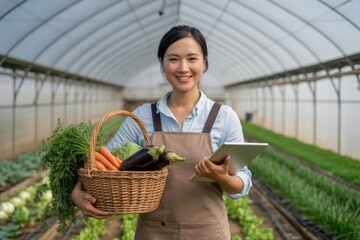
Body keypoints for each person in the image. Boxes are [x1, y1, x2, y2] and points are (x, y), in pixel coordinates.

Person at [71, 25, 252, 240]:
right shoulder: (143, 116)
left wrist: (223, 178)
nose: (183, 68)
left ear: (204, 63)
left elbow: (242, 181)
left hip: (209, 231)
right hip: (154, 232)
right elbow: (101, 161)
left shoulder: (223, 117)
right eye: (173, 59)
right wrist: (77, 191)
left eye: (192, 59)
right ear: (162, 64)